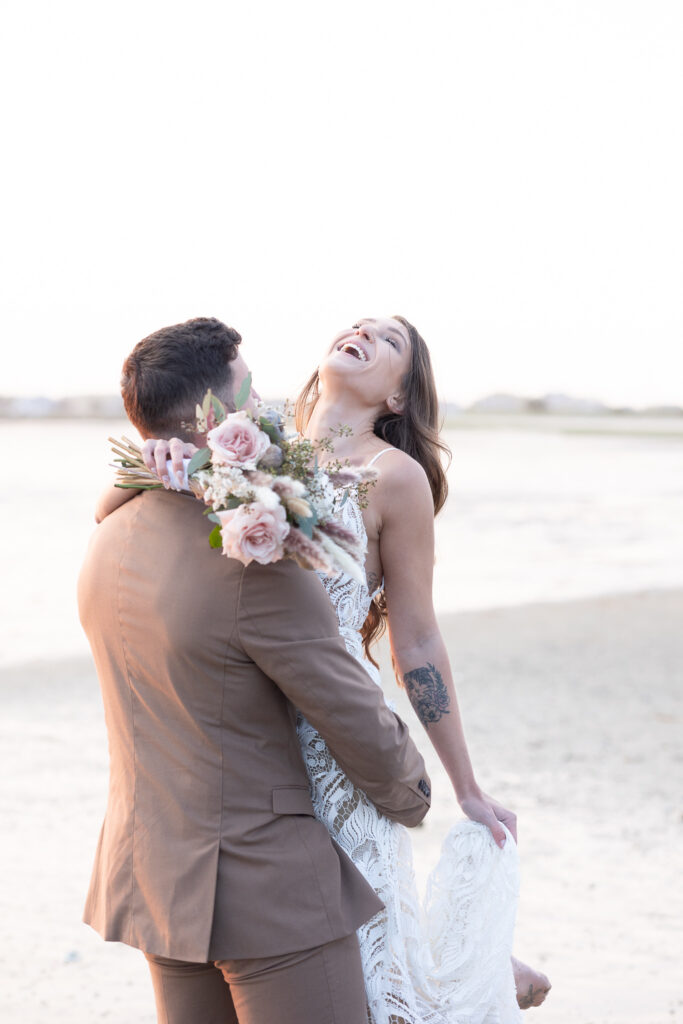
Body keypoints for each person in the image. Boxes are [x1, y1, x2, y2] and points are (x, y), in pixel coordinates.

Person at [104, 316, 553, 1017]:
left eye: (389, 341)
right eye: (357, 325)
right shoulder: (254, 435)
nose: (363, 333)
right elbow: (114, 518)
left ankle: (470, 976)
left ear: (400, 396)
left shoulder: (393, 476)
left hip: (335, 739)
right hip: (251, 731)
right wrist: (167, 472)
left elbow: (418, 640)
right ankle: (468, 971)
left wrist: (465, 785)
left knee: (363, 966)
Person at [80, 316, 432, 1024]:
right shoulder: (252, 554)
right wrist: (410, 792)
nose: (266, 406)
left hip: (154, 873)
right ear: (217, 414)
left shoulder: (108, 539)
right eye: (251, 390)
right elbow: (343, 703)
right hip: (266, 887)